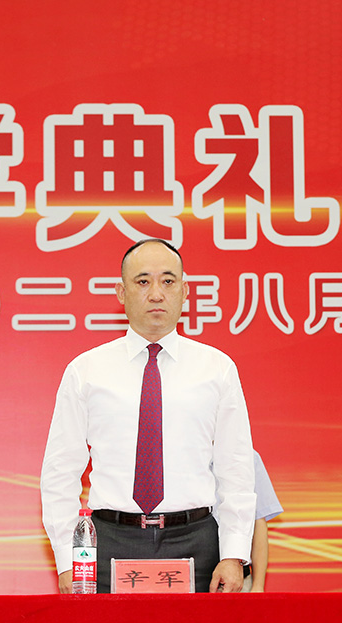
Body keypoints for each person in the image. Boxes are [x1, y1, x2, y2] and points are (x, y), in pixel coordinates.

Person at [40, 239, 256, 593]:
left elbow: (236, 468)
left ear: (185, 291)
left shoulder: (217, 368)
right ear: (121, 293)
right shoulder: (86, 370)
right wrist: (69, 560)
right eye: (142, 282)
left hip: (198, 543)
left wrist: (233, 554)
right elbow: (60, 472)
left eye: (168, 281)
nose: (156, 293)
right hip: (109, 543)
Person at [245, 450, 284, 592]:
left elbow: (258, 522)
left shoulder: (247, 456)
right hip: (189, 573)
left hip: (237, 577)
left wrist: (258, 586)